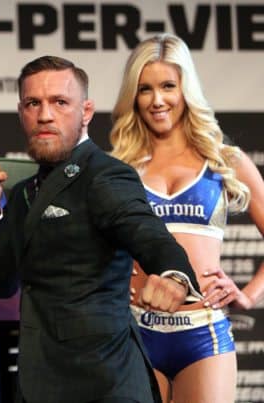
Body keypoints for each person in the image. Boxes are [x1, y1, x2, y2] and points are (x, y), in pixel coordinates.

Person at [0, 55, 202, 403]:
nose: (45, 114)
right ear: (21, 112)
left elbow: (146, 231)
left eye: (60, 102)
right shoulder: (24, 194)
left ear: (86, 111)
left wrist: (174, 276)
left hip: (104, 384)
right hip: (39, 384)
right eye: (33, 103)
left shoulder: (105, 175)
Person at [110, 33, 264, 403]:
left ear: (186, 89)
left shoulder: (224, 160)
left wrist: (247, 296)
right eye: (145, 89)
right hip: (135, 331)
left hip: (203, 335)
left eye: (168, 86)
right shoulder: (118, 167)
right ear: (133, 95)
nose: (157, 100)